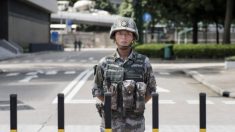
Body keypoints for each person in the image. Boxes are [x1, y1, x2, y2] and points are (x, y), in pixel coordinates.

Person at [92, 17, 156, 132]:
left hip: (135, 124)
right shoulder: (104, 63)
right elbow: (98, 91)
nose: (124, 37)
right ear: (114, 36)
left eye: (128, 34)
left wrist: (136, 104)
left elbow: (151, 91)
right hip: (110, 123)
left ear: (133, 37)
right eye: (120, 34)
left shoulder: (143, 62)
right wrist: (112, 104)